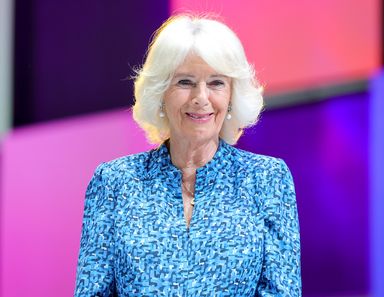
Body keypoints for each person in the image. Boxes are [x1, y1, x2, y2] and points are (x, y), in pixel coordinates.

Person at [74, 14, 301, 297]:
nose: (201, 97)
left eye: (216, 82)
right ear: (160, 93)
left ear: (232, 96)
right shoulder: (114, 182)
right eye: (185, 82)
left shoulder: (267, 179)